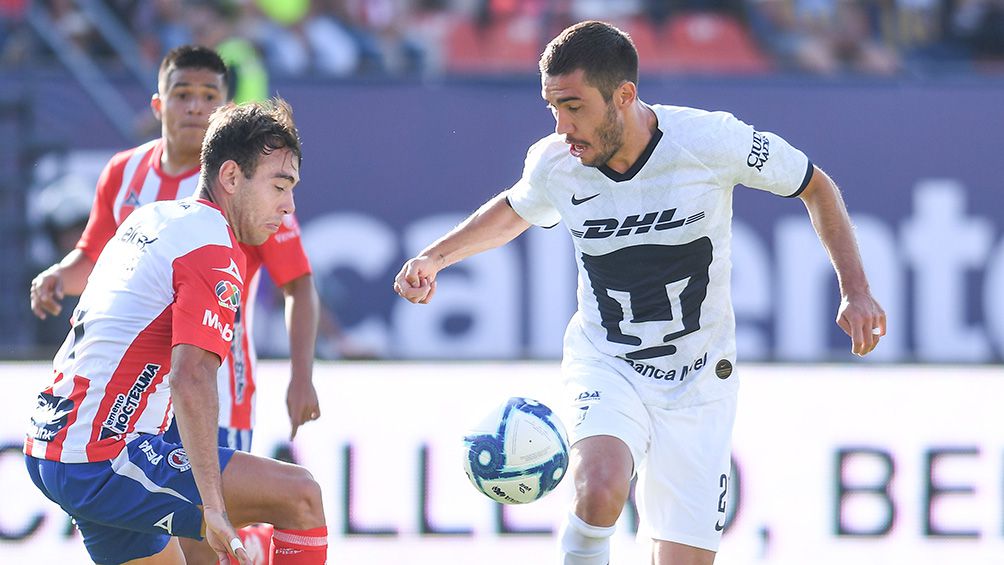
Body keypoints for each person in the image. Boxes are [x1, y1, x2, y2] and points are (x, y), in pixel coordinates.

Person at [394, 20, 886, 565]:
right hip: (608, 363)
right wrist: (435, 256)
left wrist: (856, 290)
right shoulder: (556, 162)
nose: (562, 126)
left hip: (701, 380)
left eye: (574, 106)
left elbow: (815, 186)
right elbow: (516, 209)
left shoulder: (710, 140)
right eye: (552, 107)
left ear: (624, 95)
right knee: (600, 488)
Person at [27, 44, 321, 564]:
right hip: (105, 457)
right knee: (300, 496)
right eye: (280, 186)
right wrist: (213, 505)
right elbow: (191, 377)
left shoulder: (154, 217)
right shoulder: (213, 248)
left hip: (55, 441)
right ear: (231, 178)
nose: (289, 206)